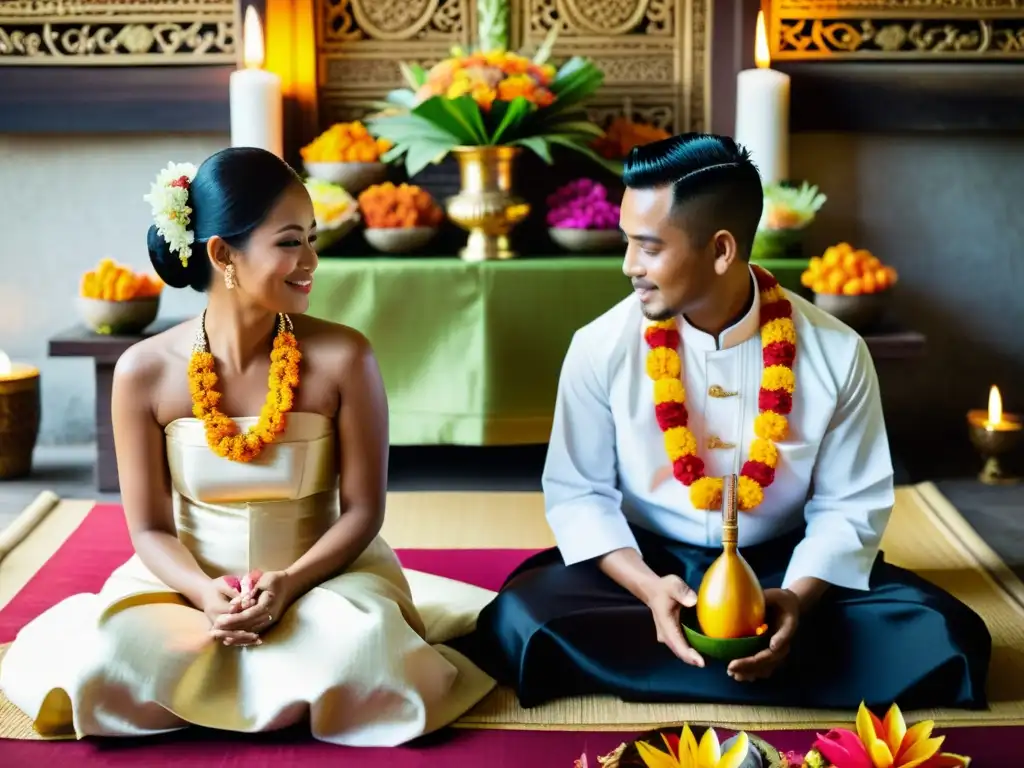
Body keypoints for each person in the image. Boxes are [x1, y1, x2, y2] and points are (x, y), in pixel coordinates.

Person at [451, 133, 992, 711]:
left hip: (786, 566)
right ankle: (779, 671)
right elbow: (579, 494)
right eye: (628, 242)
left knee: (946, 636)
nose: (628, 265)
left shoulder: (837, 351)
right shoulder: (600, 345)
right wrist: (647, 588)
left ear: (722, 249)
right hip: (647, 566)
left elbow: (848, 506)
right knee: (520, 619)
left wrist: (797, 601)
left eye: (649, 247)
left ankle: (717, 657)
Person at [0, 147, 495, 745]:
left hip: (322, 579)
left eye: (312, 238)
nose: (312, 260)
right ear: (222, 254)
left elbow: (364, 509)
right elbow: (151, 530)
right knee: (111, 659)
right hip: (187, 585)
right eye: (290, 242)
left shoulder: (346, 358)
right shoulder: (144, 372)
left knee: (361, 653)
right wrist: (205, 593)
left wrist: (287, 583)